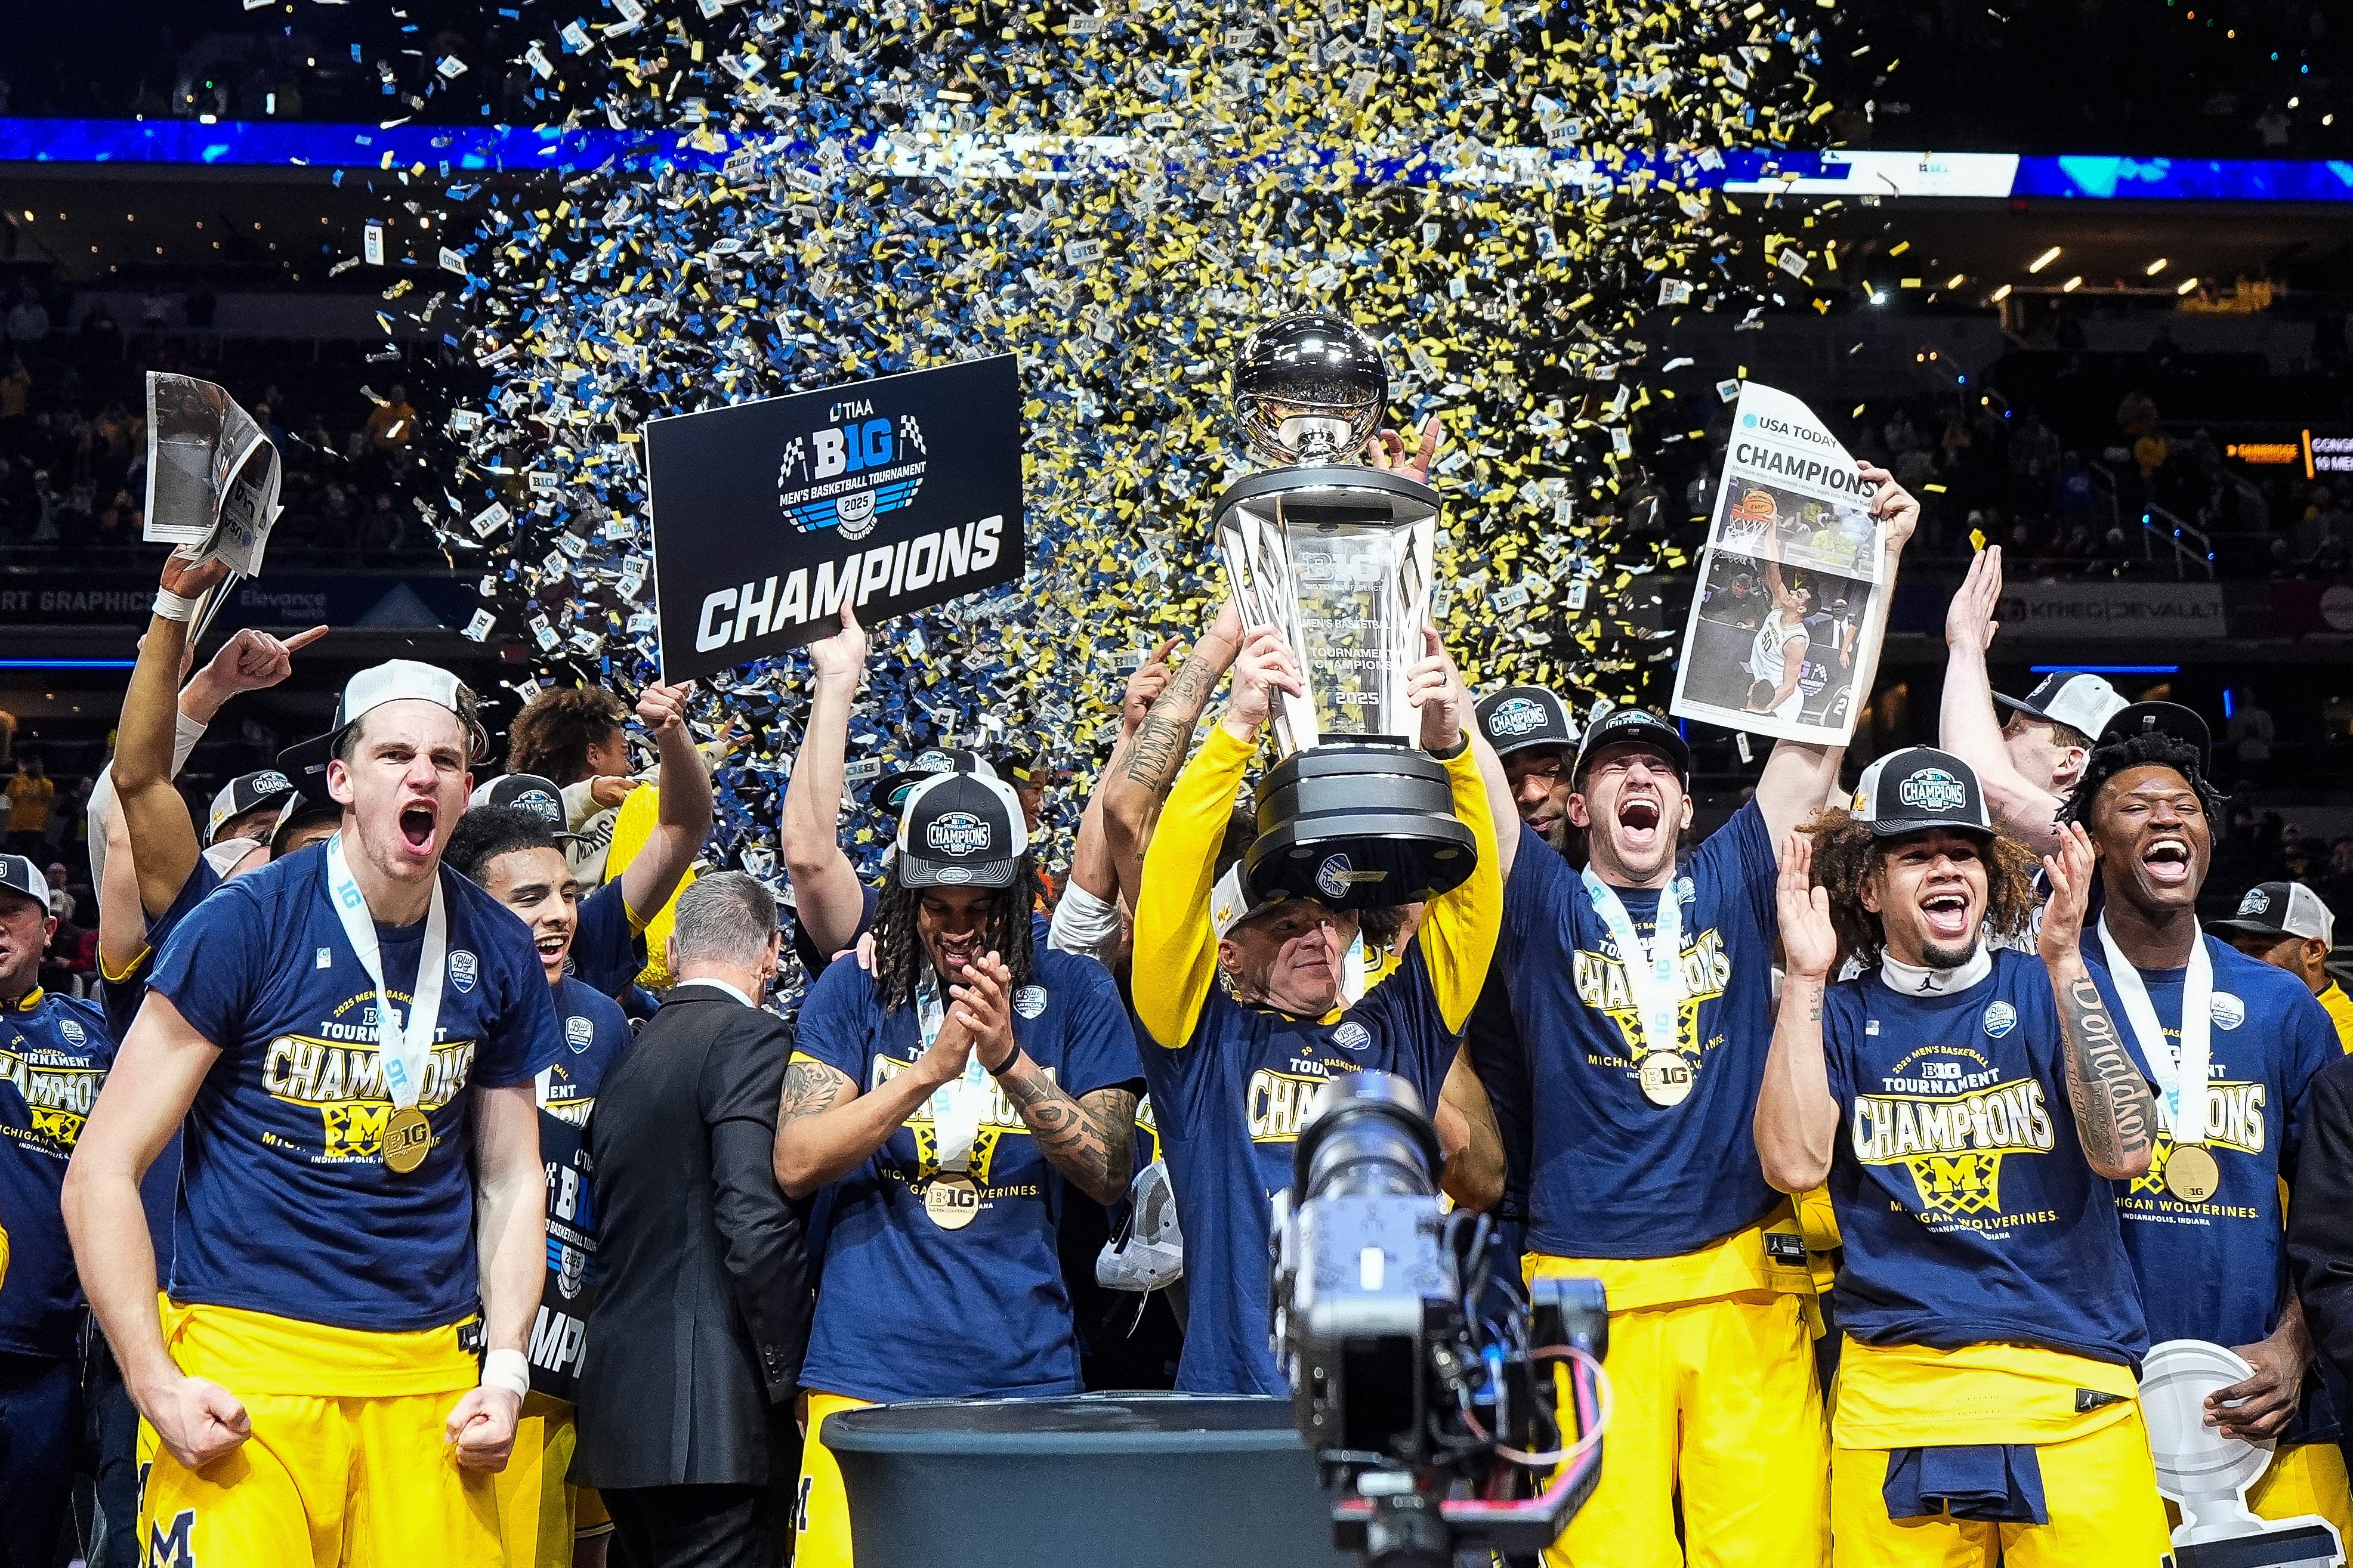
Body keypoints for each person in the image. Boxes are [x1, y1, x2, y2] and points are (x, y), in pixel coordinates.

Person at [1501, 460, 1914, 1568]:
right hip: (1579, 1287)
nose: (1639, 777)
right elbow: (1471, 783)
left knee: (1774, 1551)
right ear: (1578, 801)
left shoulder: (1731, 874)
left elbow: (1815, 743)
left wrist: (1871, 564)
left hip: (1738, 1272)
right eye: (1614, 767)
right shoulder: (1538, 896)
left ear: (1686, 802)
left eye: (1659, 767)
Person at [61, 658, 563, 1565]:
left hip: (429, 1381)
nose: (424, 775)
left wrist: (508, 1364)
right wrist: (154, 1381)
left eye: (446, 761)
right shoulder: (247, 921)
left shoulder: (497, 947)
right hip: (249, 1363)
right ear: (342, 780)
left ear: (464, 790)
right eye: (396, 754)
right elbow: (101, 1167)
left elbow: (511, 1175)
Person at [1755, 749, 2171, 1565]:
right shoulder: (1835, 1015)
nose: (1947, 867)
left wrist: (2064, 961)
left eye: (1963, 852)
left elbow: (2125, 1150)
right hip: (1901, 1396)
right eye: (1917, 854)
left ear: (1990, 875)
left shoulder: (2045, 985)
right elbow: (1793, 1165)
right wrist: (1806, 977)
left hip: (2072, 1385)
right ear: (1870, 889)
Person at [775, 770, 1144, 1568]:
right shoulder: (859, 985)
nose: (958, 930)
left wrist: (1009, 1058)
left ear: (1017, 896)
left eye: (981, 909)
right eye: (936, 907)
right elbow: (796, 1158)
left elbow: (1112, 1168)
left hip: (1025, 1371)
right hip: (867, 1367)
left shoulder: (1075, 990)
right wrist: (926, 1073)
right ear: (905, 896)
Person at [1128, 621, 1505, 1394]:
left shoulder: (1395, 1030)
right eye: (1283, 923)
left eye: (1325, 919)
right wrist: (1236, 728)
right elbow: (1168, 897)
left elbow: (1473, 910)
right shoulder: (1201, 1043)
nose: (1313, 936)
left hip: (1383, 1407)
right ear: (1229, 951)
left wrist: (1453, 749)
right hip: (1238, 1402)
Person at [2064, 719, 2351, 1536]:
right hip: (2096, 1410)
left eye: (2183, 807)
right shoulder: (2050, 983)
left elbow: (2338, 1218)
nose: (2166, 819)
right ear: (2091, 840)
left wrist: (2295, 1349)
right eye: (2136, 806)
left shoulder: (2279, 1005)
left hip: (2267, 1405)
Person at [572, 873, 808, 1568]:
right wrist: (791, 1376)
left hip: (619, 1413)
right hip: (715, 1421)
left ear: (672, 950)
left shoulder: (630, 1051)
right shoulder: (753, 1037)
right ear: (771, 952)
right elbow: (752, 1221)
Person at [446, 805, 638, 1568]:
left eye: (565, 892)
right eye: (529, 899)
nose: (559, 914)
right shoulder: (431, 1010)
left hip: (561, 1361)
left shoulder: (602, 1021)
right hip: (453, 1362)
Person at [0, 854, 114, 1565]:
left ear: (48, 928)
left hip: (50, 1353)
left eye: (11, 910)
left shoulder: (94, 1034)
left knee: (31, 1546)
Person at [1938, 547, 2131, 858]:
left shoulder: (2094, 835)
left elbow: (1979, 781)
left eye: (2017, 729)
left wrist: (1966, 648)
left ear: (2069, 762)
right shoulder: (2013, 839)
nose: (1999, 733)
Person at [2211, 882, 2352, 1051]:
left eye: (2259, 949)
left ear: (2314, 951)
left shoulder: (2346, 1032)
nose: (2243, 962)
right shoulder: (2236, 1014)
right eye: (2239, 950)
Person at [1744, 557, 1812, 721]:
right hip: (1761, 685)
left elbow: (1789, 687)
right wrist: (1772, 530)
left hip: (1780, 698)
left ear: (1801, 608)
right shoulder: (1779, 605)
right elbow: (1772, 567)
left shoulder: (1797, 640)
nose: (1791, 592)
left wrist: (1763, 711)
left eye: (1797, 594)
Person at [7, 754, 54, 858]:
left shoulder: (46, 783)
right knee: (15, 861)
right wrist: (22, 773)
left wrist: (40, 776)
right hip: (16, 829)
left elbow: (49, 794)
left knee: (35, 861)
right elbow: (13, 794)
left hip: (36, 830)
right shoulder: (18, 780)